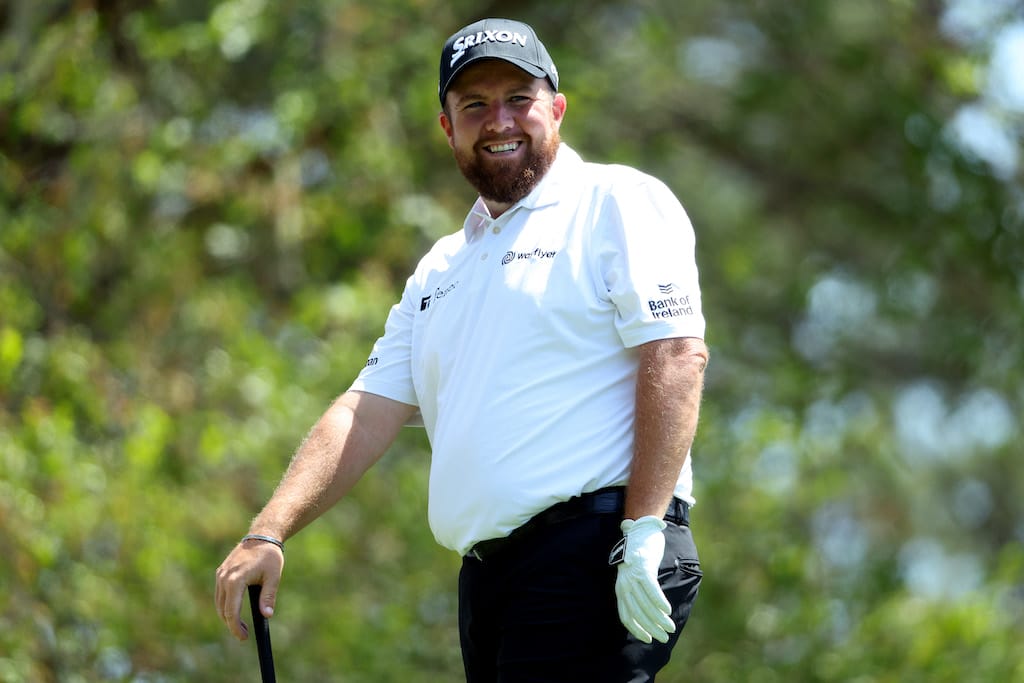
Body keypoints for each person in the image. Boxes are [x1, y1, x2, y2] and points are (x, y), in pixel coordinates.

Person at [215, 17, 709, 682]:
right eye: (474, 105)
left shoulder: (615, 201)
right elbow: (365, 409)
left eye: (519, 99)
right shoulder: (442, 267)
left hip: (598, 550)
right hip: (490, 583)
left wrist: (643, 531)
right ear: (448, 128)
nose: (498, 120)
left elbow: (675, 355)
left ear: (557, 110)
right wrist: (269, 529)